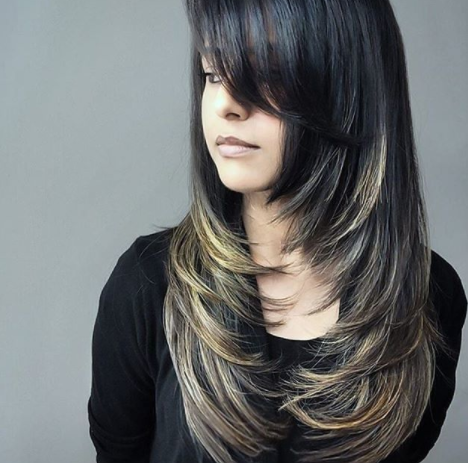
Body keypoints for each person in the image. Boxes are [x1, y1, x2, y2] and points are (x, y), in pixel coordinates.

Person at [87, 1, 467, 462]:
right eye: (212, 73)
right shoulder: (148, 285)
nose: (226, 104)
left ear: (347, 88)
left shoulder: (429, 297)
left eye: (265, 73)